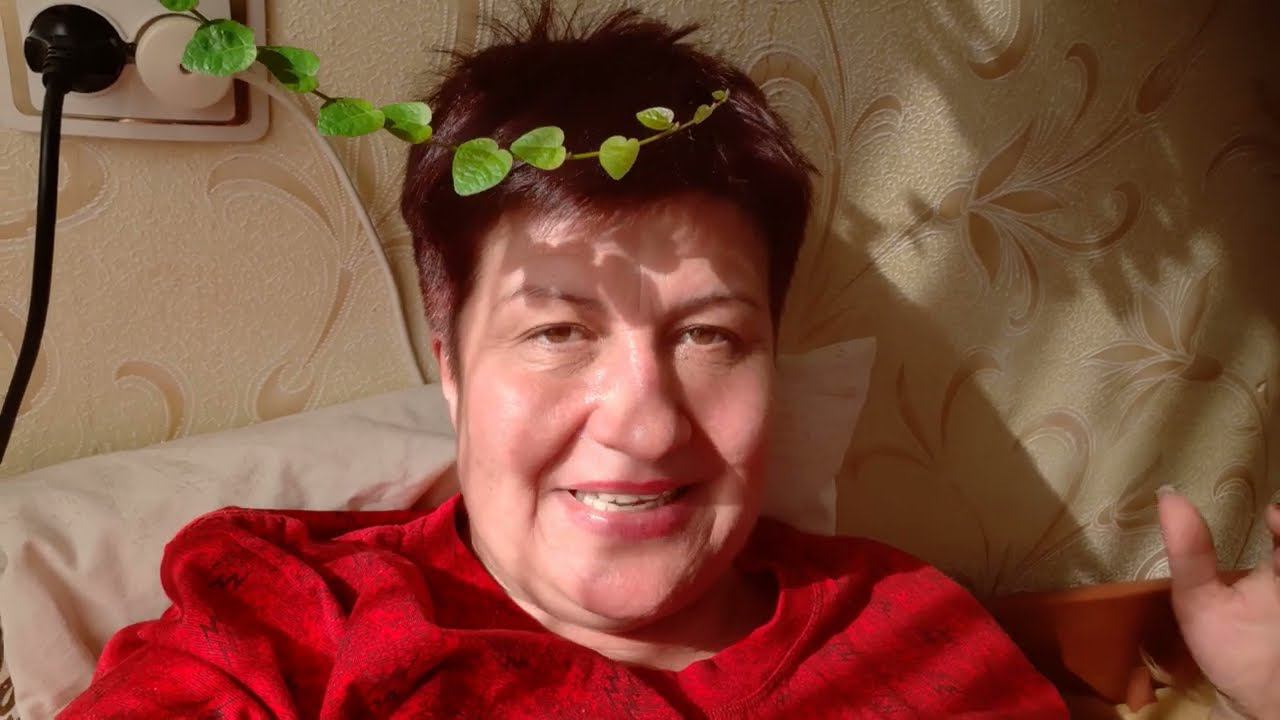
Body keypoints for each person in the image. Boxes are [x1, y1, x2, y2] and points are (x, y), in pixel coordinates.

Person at [59, 4, 1279, 718]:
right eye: (557, 331)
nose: (644, 426)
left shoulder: (911, 640)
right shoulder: (279, 629)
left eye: (707, 336)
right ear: (449, 365)